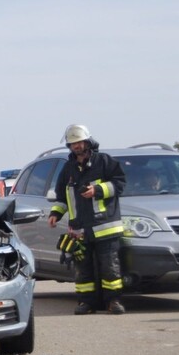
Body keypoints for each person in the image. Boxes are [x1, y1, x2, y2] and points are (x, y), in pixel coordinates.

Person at [48, 124, 126, 315]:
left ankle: (113, 301)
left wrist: (97, 190)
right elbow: (61, 196)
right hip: (79, 230)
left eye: (79, 142)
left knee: (110, 268)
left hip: (105, 227)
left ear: (88, 142)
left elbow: (120, 184)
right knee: (83, 270)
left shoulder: (104, 162)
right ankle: (86, 303)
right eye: (73, 143)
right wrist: (55, 214)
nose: (77, 146)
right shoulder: (68, 169)